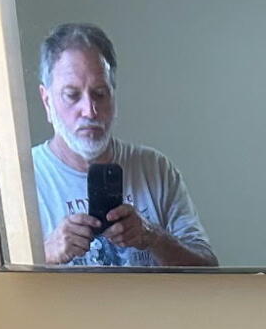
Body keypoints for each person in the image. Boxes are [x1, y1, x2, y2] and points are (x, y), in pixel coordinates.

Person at [32, 23, 218, 269]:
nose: (89, 110)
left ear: (114, 96)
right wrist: (46, 253)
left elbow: (209, 269)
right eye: (72, 95)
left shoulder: (155, 169)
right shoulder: (23, 178)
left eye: (100, 93)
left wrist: (152, 237)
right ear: (47, 101)